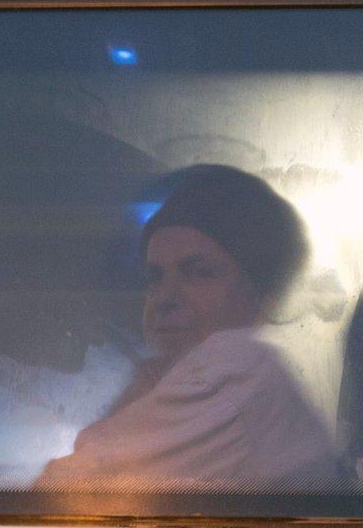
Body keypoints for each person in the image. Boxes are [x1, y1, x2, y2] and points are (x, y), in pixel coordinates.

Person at [36, 165, 336, 490]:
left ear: (260, 295)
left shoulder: (237, 364)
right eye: (155, 278)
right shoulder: (240, 378)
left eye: (199, 273)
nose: (164, 297)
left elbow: (61, 494)